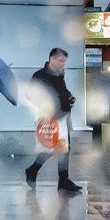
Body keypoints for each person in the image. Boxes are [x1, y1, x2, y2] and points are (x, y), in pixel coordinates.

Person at [25, 47, 82, 193]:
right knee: (50, 148)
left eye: (65, 61)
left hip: (63, 115)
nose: (64, 64)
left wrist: (69, 97)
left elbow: (62, 91)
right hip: (50, 118)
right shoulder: (39, 76)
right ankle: (32, 170)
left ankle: (63, 180)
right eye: (61, 60)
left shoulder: (59, 75)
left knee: (64, 149)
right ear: (52, 59)